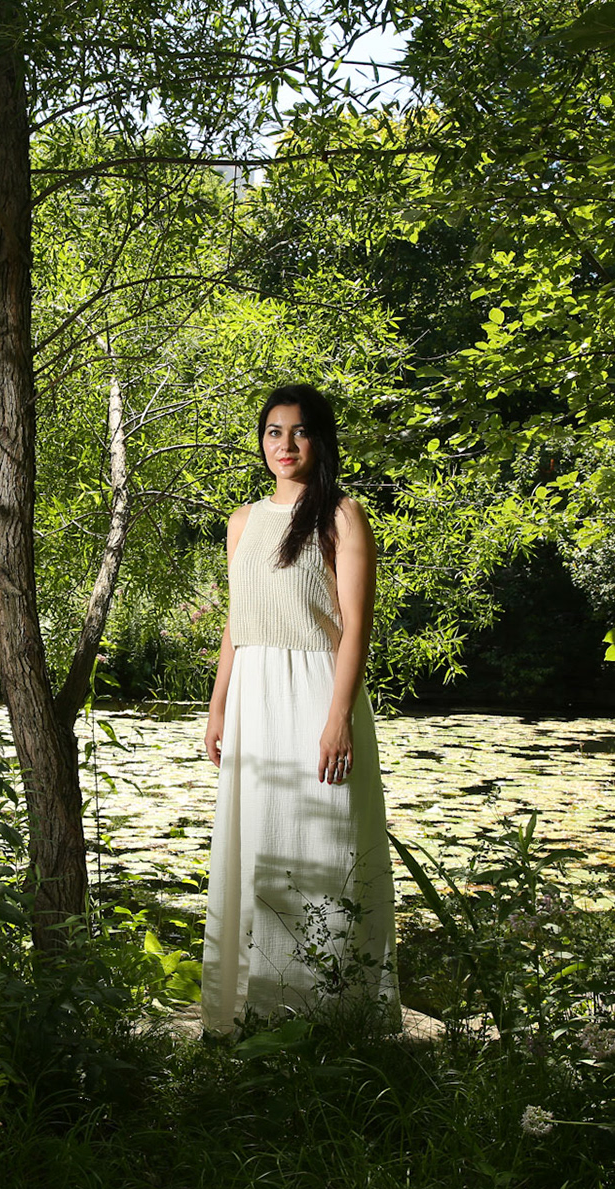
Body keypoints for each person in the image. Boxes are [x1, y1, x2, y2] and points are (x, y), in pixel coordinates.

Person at [200, 384, 398, 1034]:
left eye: (299, 431)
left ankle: (335, 1017)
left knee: (325, 845)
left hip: (316, 695)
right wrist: (218, 708)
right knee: (258, 845)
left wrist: (338, 718)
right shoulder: (243, 521)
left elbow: (357, 627)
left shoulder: (342, 515)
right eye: (273, 432)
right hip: (253, 700)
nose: (284, 445)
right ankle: (256, 1012)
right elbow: (236, 624)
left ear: (320, 440)